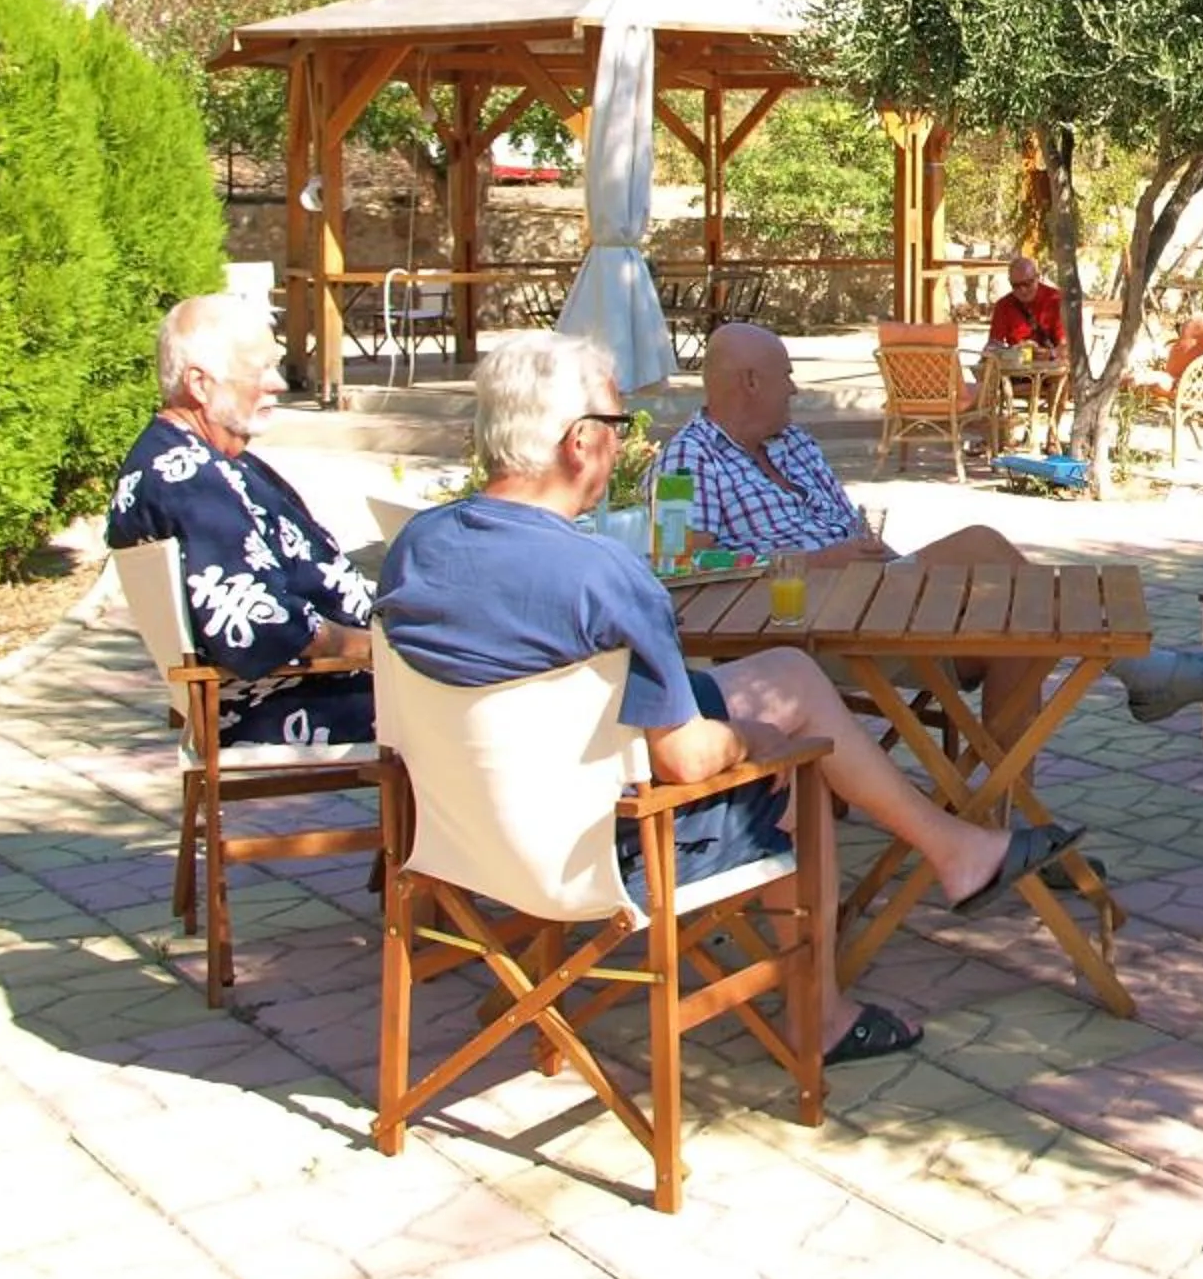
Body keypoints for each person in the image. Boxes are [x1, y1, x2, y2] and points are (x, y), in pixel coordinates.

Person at [377, 331, 1082, 1064]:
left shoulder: (419, 545)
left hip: (462, 834)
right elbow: (685, 760)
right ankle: (823, 1015)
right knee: (799, 768)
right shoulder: (602, 576)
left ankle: (959, 847)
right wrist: (760, 744)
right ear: (579, 442)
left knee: (790, 677)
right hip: (606, 847)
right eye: (618, 428)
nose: (625, 447)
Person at [656, 323, 1203, 728]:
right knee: (982, 546)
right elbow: (686, 570)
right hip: (804, 631)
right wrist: (820, 564)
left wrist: (876, 560)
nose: (795, 386)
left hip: (873, 605)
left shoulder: (794, 444)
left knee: (1023, 638)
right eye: (785, 375)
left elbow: (849, 529)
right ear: (750, 383)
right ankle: (1145, 674)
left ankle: (1002, 821)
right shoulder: (689, 460)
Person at [107, 294, 376, 748]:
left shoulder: (197, 460)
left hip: (299, 684)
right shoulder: (188, 481)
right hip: (275, 703)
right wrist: (381, 649)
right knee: (473, 703)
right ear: (200, 383)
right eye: (260, 370)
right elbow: (268, 626)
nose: (277, 384)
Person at [985, 256, 1065, 354]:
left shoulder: (1056, 300)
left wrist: (1048, 354)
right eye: (1016, 286)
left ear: (1037, 277)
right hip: (1018, 365)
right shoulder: (1003, 306)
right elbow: (994, 343)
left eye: (1027, 283)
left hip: (1054, 365)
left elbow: (1067, 345)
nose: (1023, 290)